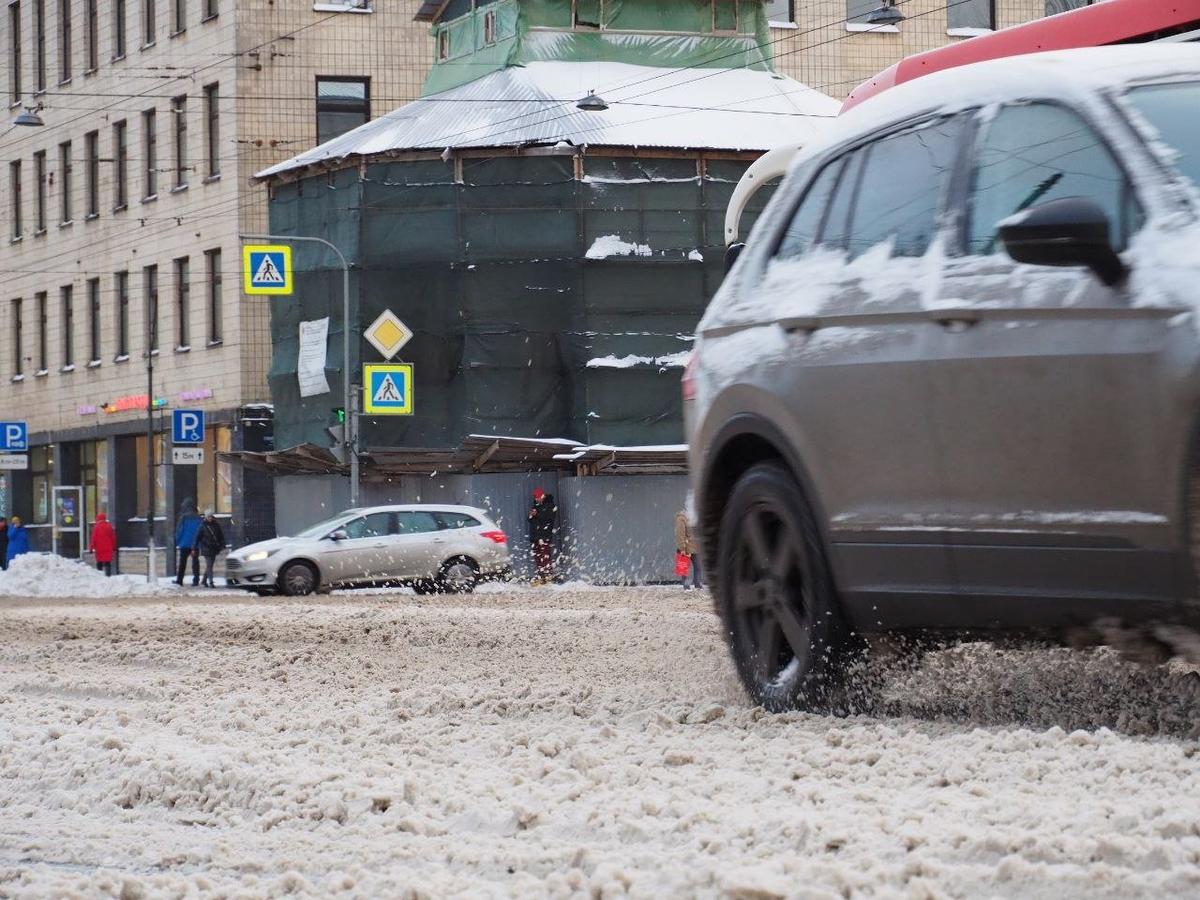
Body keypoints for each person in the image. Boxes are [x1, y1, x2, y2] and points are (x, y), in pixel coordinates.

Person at [527, 488, 558, 585]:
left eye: (538, 497)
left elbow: (547, 519)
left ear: (542, 496)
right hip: (536, 536)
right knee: (538, 557)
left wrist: (537, 515)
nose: (536, 500)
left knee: (545, 556)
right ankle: (541, 576)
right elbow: (531, 520)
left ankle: (548, 576)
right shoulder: (536, 506)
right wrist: (531, 516)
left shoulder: (550, 506)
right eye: (535, 498)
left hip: (544, 536)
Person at [174, 498, 203, 586]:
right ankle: (196, 580)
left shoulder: (183, 517)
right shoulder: (198, 517)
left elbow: (179, 530)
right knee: (195, 562)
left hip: (184, 543)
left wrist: (177, 541)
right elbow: (201, 530)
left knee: (182, 563)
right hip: (195, 544)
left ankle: (180, 580)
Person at [194, 510, 225, 588]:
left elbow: (220, 536)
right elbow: (197, 537)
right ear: (206, 517)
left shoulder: (216, 525)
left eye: (211, 516)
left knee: (209, 565)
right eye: (208, 516)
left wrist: (222, 545)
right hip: (206, 548)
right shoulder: (202, 526)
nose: (210, 518)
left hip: (214, 548)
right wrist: (194, 547)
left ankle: (204, 580)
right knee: (209, 565)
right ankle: (211, 582)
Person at [674, 508, 702, 590]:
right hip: (685, 548)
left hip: (695, 548)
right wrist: (682, 548)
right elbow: (680, 534)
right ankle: (686, 587)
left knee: (698, 567)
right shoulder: (681, 518)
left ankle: (698, 585)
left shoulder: (694, 519)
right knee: (684, 568)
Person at [91, 512, 117, 576]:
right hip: (108, 548)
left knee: (99, 562)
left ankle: (99, 575)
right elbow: (113, 538)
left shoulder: (96, 527)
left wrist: (91, 548)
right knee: (107, 562)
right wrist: (114, 547)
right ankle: (108, 575)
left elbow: (94, 538)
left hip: (99, 549)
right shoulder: (109, 526)